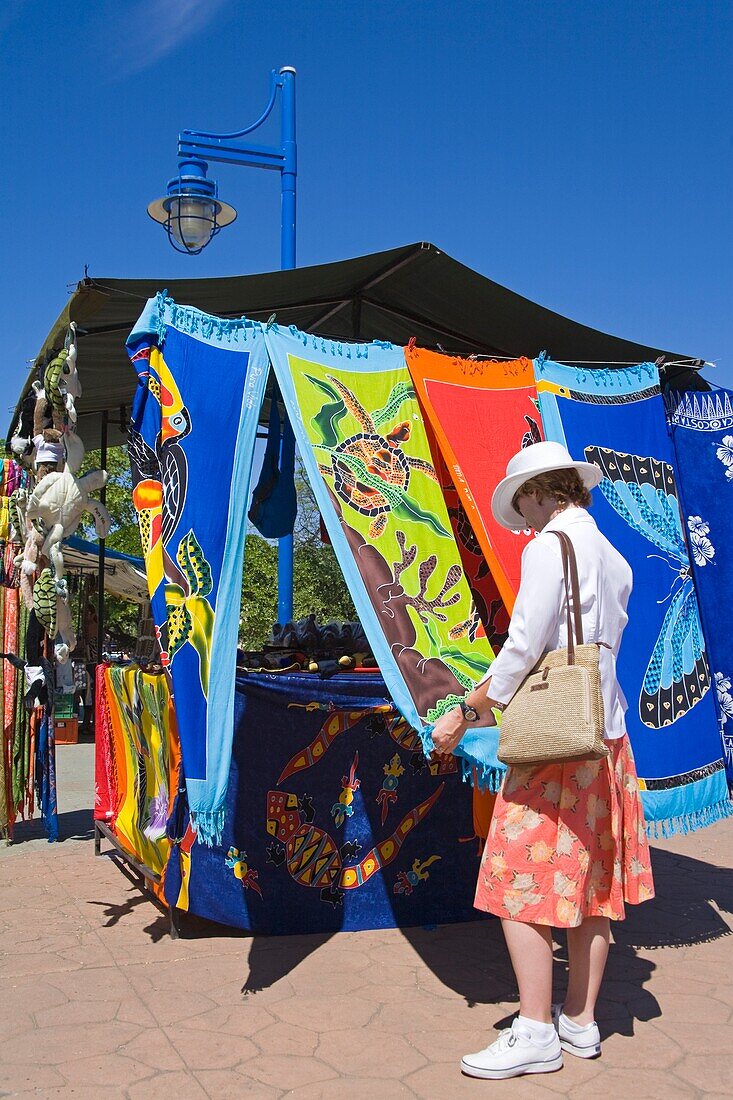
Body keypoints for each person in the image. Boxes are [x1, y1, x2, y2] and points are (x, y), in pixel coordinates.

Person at [431, 440, 655, 1081]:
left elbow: (525, 642)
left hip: (552, 746)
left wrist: (469, 710)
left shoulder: (547, 548)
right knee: (589, 885)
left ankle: (534, 1031)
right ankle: (580, 1023)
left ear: (539, 491)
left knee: (518, 881)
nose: (523, 519)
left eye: (523, 504)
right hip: (604, 740)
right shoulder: (613, 558)